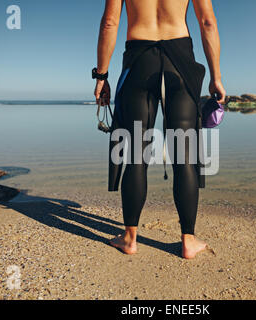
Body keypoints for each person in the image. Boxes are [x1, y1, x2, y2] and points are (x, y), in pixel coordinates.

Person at [93, 0, 225, 259]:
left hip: (138, 62)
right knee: (184, 157)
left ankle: (130, 238)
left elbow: (110, 22)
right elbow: (207, 22)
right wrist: (216, 76)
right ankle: (188, 240)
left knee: (135, 156)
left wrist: (102, 76)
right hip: (181, 66)